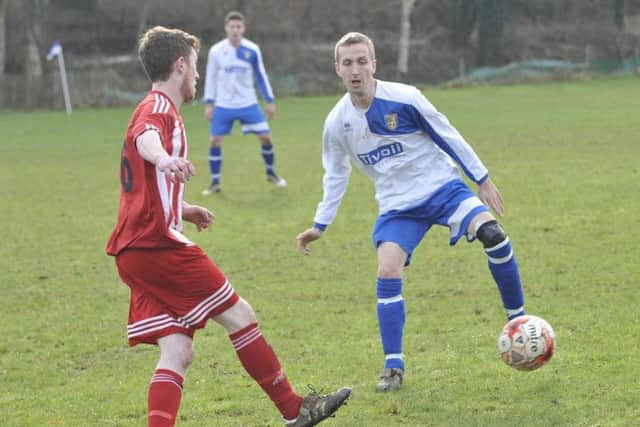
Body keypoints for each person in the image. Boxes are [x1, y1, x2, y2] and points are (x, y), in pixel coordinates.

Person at [106, 26, 350, 427]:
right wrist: (164, 159)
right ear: (180, 66)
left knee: (178, 350)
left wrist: (182, 208)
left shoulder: (149, 108)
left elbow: (143, 186)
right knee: (240, 315)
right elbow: (146, 140)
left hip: (134, 250)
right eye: (195, 67)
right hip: (156, 246)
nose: (198, 77)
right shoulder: (158, 111)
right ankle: (295, 409)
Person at [296, 32, 527, 392]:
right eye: (348, 63)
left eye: (361, 61)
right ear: (337, 69)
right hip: (398, 207)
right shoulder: (337, 123)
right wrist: (319, 224)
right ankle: (393, 367)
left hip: (443, 190)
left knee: (494, 235)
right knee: (387, 268)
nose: (355, 69)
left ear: (374, 63)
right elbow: (336, 174)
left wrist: (481, 179)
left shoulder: (404, 97)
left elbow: (446, 134)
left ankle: (519, 322)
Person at [202, 11, 286, 195]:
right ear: (226, 28)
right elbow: (211, 78)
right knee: (215, 140)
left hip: (248, 103)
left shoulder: (252, 50)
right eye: (232, 27)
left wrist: (269, 101)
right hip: (224, 105)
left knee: (265, 137)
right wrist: (209, 103)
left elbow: (261, 76)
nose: (235, 30)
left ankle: (271, 172)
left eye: (238, 27)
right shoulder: (216, 51)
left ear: (243, 28)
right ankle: (215, 183)